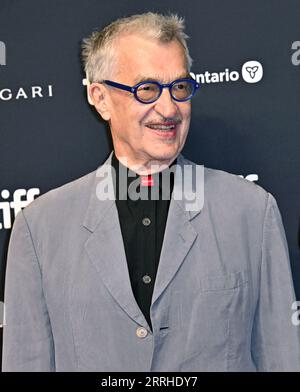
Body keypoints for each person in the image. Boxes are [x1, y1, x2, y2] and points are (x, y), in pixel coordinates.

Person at [2, 12, 300, 372]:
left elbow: (282, 358)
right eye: (147, 89)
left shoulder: (251, 212)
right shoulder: (40, 229)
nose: (169, 108)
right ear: (101, 98)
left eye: (179, 87)